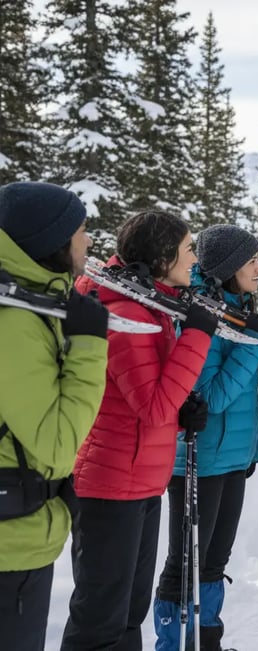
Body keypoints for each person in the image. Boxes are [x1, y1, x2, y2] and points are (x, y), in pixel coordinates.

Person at [61, 211, 219, 651]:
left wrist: (181, 411)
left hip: (139, 480)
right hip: (112, 484)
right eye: (189, 249)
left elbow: (147, 398)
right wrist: (197, 338)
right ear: (163, 256)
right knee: (101, 620)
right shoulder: (126, 312)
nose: (194, 261)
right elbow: (152, 408)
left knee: (129, 615)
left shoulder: (152, 305)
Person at [0, 182, 109, 651]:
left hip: (24, 532)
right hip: (10, 548)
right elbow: (57, 441)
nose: (88, 242)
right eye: (82, 231)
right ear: (52, 242)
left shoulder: (31, 307)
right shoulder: (15, 323)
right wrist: (88, 346)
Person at [153, 224, 258, 651]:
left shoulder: (238, 308)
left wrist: (250, 449)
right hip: (197, 457)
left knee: (215, 561)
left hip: (232, 457)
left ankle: (208, 643)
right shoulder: (199, 313)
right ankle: (170, 645)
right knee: (184, 563)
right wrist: (253, 341)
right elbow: (210, 397)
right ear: (227, 268)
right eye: (251, 260)